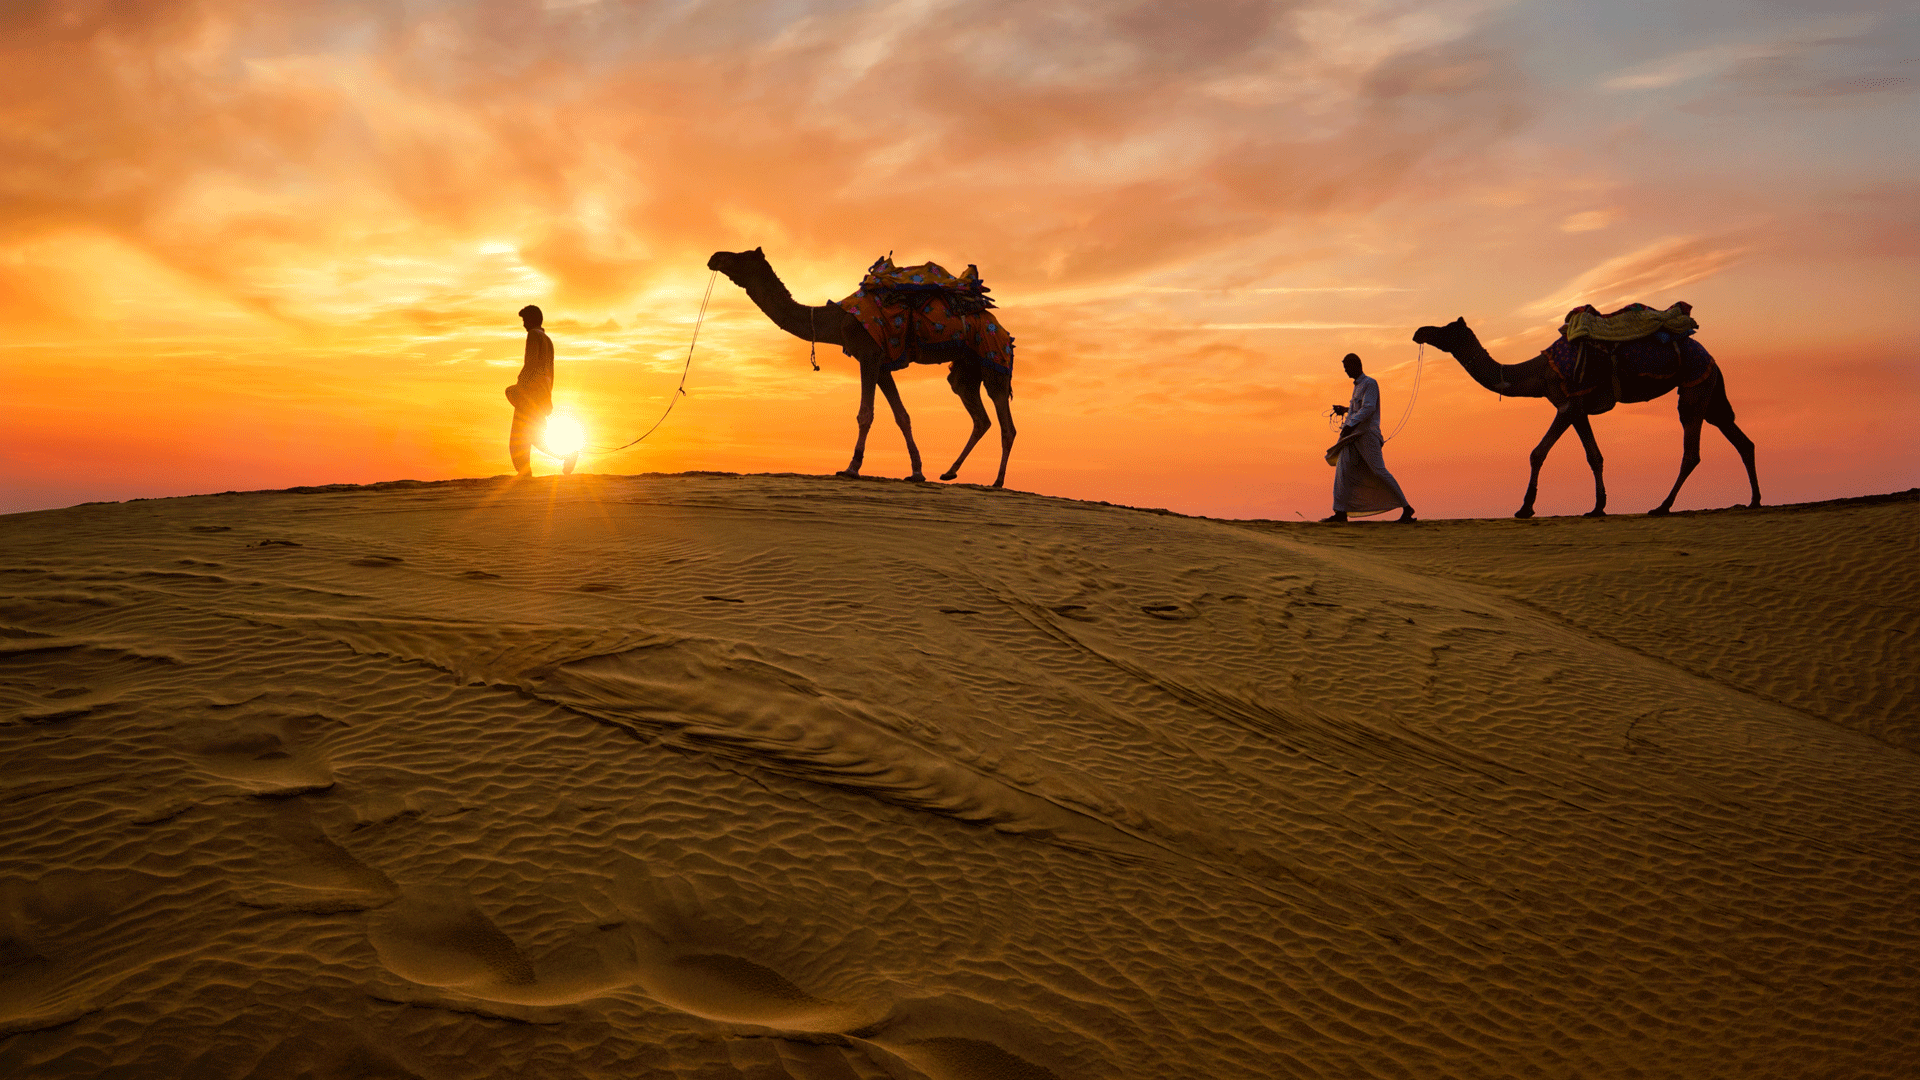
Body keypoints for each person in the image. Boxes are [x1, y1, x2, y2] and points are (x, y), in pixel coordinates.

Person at [1324, 352, 1414, 523]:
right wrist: (1345, 410)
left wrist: (1350, 424)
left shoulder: (1370, 383)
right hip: (1353, 436)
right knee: (1343, 470)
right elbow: (1358, 409)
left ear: (1356, 365)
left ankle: (1407, 509)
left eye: (1347, 367)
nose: (1346, 371)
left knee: (1378, 470)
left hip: (1366, 435)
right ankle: (1340, 512)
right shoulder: (1358, 386)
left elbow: (1369, 408)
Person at [505, 304, 577, 477]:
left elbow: (531, 365)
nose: (523, 324)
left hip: (529, 395)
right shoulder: (547, 339)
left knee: (518, 438)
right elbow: (549, 372)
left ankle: (525, 472)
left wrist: (519, 386)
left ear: (532, 319)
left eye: (524, 320)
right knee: (535, 436)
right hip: (541, 395)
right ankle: (567, 455)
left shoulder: (533, 335)